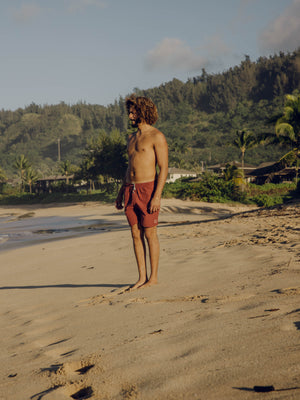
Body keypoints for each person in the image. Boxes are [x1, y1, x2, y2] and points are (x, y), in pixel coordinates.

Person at [115, 95, 168, 290]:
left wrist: (157, 195)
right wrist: (121, 192)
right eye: (129, 111)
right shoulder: (131, 138)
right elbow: (129, 168)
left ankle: (153, 278)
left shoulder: (156, 136)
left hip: (148, 189)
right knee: (135, 234)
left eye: (133, 111)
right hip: (130, 189)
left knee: (150, 234)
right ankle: (141, 277)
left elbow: (163, 168)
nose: (129, 115)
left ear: (143, 111)